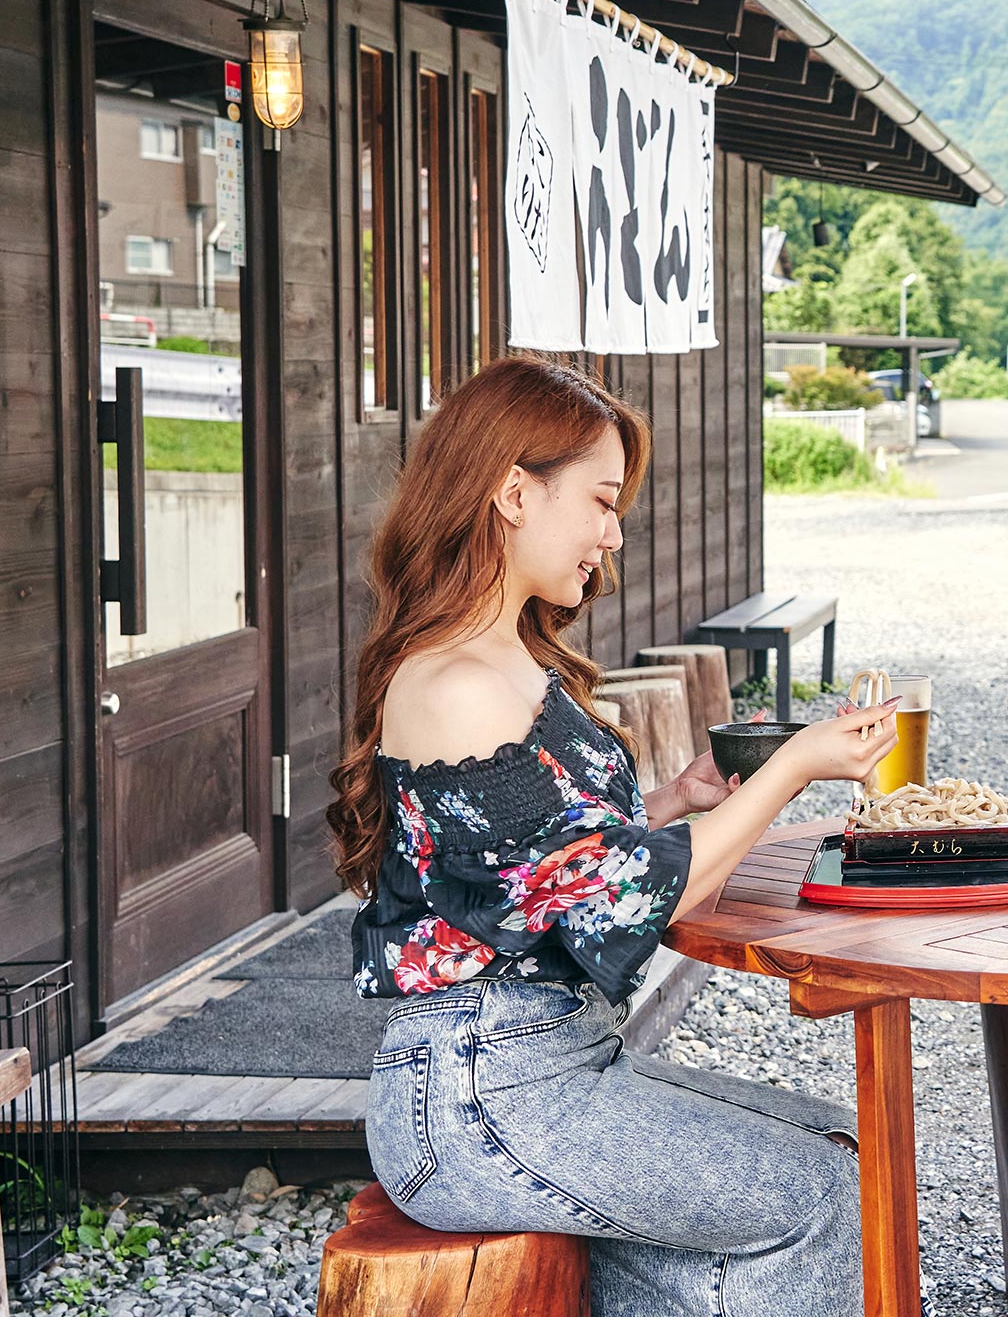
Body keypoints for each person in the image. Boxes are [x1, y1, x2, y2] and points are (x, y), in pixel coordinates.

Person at [328, 356, 898, 1317]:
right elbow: (628, 898)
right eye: (599, 501)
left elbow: (533, 878)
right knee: (818, 1189)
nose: (613, 532)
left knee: (843, 1148)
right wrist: (796, 767)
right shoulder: (457, 682)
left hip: (545, 1067)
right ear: (513, 491)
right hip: (484, 1096)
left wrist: (676, 799)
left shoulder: (509, 656)